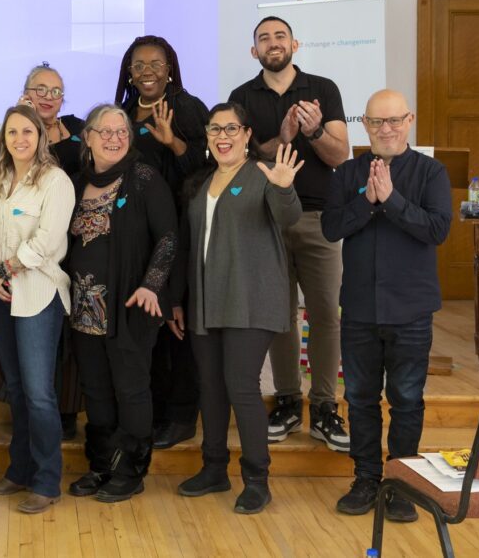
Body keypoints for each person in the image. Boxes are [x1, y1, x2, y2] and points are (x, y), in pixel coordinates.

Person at [322, 90, 452, 523]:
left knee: (407, 400)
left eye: (394, 120)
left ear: (409, 121)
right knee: (359, 400)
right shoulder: (347, 173)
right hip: (359, 309)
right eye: (377, 122)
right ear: (365, 125)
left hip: (411, 311)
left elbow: (437, 230)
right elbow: (331, 228)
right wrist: (367, 201)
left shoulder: (431, 172)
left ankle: (400, 483)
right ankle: (365, 479)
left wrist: (392, 200)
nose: (386, 129)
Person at [169, 103, 302, 515]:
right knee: (210, 386)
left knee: (240, 386)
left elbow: (289, 218)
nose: (222, 136)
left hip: (251, 299)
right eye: (215, 129)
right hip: (205, 301)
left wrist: (283, 187)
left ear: (247, 134)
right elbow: (187, 246)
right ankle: (214, 469)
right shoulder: (200, 181)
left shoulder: (264, 175)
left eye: (231, 128)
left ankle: (257, 479)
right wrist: (177, 299)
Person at [229, 16, 351, 451]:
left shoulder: (324, 89)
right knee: (279, 316)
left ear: (294, 44)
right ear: (254, 51)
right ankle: (286, 401)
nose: (273, 43)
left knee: (325, 315)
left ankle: (324, 407)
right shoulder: (242, 97)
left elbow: (340, 155)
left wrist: (313, 131)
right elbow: (238, 160)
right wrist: (279, 139)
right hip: (267, 219)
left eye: (280, 36)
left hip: (319, 218)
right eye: (264, 38)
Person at [66, 104, 178, 503]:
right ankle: (101, 466)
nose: (115, 139)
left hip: (130, 307)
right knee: (96, 390)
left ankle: (130, 470)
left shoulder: (144, 178)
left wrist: (151, 285)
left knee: (130, 389)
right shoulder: (76, 183)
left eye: (122, 132)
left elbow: (168, 237)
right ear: (88, 138)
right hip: (83, 311)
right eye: (106, 131)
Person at [0, 106, 75, 514]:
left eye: (27, 132)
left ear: (41, 136)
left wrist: (1, 270)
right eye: (12, 132)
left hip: (37, 293)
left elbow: (46, 243)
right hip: (0, 294)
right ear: (4, 138)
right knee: (16, 389)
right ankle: (19, 470)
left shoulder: (56, 181)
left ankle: (47, 481)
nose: (20, 139)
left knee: (38, 393)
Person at [115, 36, 210, 451]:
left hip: (177, 231)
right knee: (145, 321)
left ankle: (182, 415)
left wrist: (173, 142)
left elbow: (208, 165)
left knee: (175, 322)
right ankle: (150, 409)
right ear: (129, 72)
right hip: (133, 235)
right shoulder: (120, 113)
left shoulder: (186, 108)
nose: (147, 71)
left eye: (156, 63)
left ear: (170, 68)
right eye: (139, 65)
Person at [16, 62, 86, 440]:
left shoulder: (78, 129)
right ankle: (29, 410)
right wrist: (26, 123)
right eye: (39, 89)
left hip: (75, 244)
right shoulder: (18, 133)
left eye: (55, 91)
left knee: (69, 333)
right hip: (33, 246)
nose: (48, 97)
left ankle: (67, 409)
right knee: (34, 335)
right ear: (26, 93)